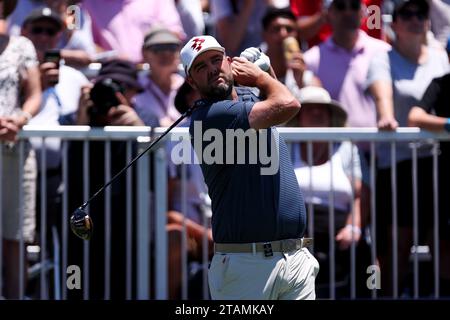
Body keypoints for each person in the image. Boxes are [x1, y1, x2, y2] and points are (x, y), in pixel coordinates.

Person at [180, 35, 319, 300]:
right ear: (191, 81)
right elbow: (288, 104)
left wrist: (266, 71)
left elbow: (276, 98)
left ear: (229, 62)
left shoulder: (245, 98)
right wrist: (260, 77)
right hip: (246, 265)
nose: (211, 69)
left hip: (295, 257)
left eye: (216, 60)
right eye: (200, 67)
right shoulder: (210, 117)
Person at [366, 0, 450, 296]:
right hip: (398, 163)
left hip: (437, 163)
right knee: (399, 243)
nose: (416, 19)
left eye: (421, 14)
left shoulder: (440, 56)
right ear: (395, 23)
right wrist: (387, 116)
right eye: (407, 14)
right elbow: (383, 96)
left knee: (442, 240)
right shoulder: (382, 59)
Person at [67, 59, 145, 300]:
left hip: (127, 223)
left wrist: (138, 131)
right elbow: (67, 168)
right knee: (77, 283)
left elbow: (158, 175)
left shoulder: (141, 118)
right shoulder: (76, 118)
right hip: (80, 223)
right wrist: (81, 122)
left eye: (123, 88)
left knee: (123, 283)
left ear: (132, 92)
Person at [286, 86, 371, 298]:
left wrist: (354, 227)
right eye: (310, 109)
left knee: (361, 254)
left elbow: (361, 194)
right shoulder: (286, 147)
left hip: (339, 226)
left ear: (330, 116)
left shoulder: (346, 148)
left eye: (321, 109)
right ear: (299, 116)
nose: (316, 113)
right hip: (295, 226)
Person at [0, 0, 42, 299]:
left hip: (15, 152)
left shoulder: (21, 46)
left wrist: (21, 118)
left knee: (15, 237)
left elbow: (34, 95)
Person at [408, 72, 450, 296]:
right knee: (444, 242)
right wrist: (446, 123)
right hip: (445, 173)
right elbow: (414, 117)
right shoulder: (440, 83)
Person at [261, 6, 321, 94]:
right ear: (264, 35)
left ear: (297, 35)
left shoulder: (309, 80)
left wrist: (300, 82)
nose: (283, 34)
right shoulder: (251, 71)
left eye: (289, 29)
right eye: (276, 29)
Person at [134, 26, 184, 127]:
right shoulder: (134, 87)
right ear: (144, 53)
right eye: (157, 48)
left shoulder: (189, 87)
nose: (166, 53)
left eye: (172, 47)